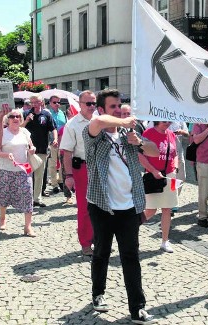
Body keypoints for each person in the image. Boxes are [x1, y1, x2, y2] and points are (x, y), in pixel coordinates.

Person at [84, 88, 159, 324]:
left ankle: (137, 307)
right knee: (102, 252)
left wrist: (140, 142)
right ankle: (98, 293)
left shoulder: (129, 133)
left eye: (120, 106)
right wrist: (124, 119)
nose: (117, 110)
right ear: (102, 109)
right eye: (113, 107)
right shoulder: (93, 133)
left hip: (129, 206)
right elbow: (99, 121)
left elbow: (154, 151)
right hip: (102, 205)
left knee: (130, 256)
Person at [60, 90, 97, 256]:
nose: (91, 106)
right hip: (82, 168)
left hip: (101, 167)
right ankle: (86, 243)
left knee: (103, 207)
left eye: (94, 103)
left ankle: (100, 239)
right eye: (88, 103)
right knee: (85, 208)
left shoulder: (100, 120)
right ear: (80, 105)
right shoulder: (72, 124)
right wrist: (68, 176)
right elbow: (67, 152)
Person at [0, 109, 37, 236]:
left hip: (24, 170)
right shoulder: (2, 133)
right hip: (6, 170)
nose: (16, 118)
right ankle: (2, 218)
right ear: (7, 119)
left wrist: (32, 149)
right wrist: (6, 154)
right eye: (12, 116)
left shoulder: (25, 132)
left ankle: (28, 226)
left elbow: (31, 146)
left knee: (28, 196)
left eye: (18, 116)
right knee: (4, 195)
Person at [138, 121, 178, 253]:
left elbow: (175, 154)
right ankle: (131, 227)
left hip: (170, 176)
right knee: (150, 210)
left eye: (168, 121)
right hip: (153, 175)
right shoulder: (148, 134)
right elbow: (140, 155)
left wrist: (176, 168)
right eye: (164, 121)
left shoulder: (171, 134)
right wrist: (153, 170)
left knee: (167, 208)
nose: (167, 123)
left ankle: (165, 241)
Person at [22, 94, 57, 207]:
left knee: (39, 175)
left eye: (36, 102)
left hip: (42, 149)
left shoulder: (46, 114)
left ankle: (37, 198)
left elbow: (53, 128)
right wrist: (27, 120)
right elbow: (19, 128)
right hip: (27, 151)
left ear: (41, 102)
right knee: (27, 174)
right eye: (32, 102)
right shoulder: (26, 114)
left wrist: (55, 139)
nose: (34, 104)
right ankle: (28, 198)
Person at [47, 95, 67, 194]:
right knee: (53, 164)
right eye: (55, 102)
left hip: (63, 141)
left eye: (59, 102)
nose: (57, 104)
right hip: (52, 141)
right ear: (50, 103)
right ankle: (54, 184)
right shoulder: (48, 114)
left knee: (63, 163)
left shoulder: (62, 113)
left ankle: (61, 181)